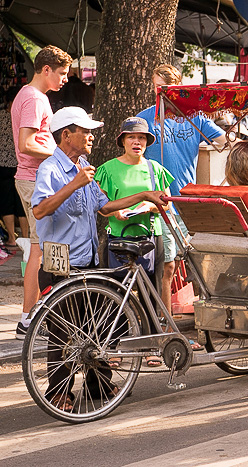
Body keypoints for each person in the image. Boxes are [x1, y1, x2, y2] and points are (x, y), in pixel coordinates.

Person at [31, 107, 167, 410]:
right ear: (67, 135)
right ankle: (60, 391)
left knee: (95, 328)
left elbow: (105, 208)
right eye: (85, 131)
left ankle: (99, 384)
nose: (91, 137)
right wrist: (74, 184)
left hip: (88, 260)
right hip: (61, 263)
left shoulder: (84, 167)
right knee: (64, 332)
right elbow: (40, 210)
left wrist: (144, 196)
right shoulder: (50, 169)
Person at [137, 64, 229, 313]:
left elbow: (225, 140)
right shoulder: (145, 118)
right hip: (161, 203)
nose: (163, 93)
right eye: (158, 88)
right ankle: (165, 323)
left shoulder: (195, 117)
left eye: (168, 88)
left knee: (198, 263)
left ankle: (203, 318)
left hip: (188, 202)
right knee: (166, 266)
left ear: (179, 89)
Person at [95, 117, 174, 367]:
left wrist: (149, 205)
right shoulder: (107, 169)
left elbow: (165, 201)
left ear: (147, 142)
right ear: (123, 141)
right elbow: (101, 206)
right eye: (132, 137)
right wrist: (116, 212)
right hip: (118, 238)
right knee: (115, 292)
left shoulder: (155, 168)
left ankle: (152, 346)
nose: (137, 142)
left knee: (151, 291)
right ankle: (114, 346)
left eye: (141, 138)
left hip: (150, 236)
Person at [12, 45, 71, 340]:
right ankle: (28, 318)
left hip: (34, 179)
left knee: (41, 247)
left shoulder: (32, 96)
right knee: (39, 248)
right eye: (62, 73)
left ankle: (32, 314)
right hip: (35, 180)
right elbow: (25, 144)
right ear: (46, 70)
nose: (65, 79)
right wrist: (57, 155)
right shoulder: (35, 99)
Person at [1, 86, 28, 248]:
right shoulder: (22, 117)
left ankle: (12, 238)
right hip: (20, 164)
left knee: (6, 202)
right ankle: (25, 237)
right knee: (20, 202)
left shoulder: (2, 117)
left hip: (2, 165)